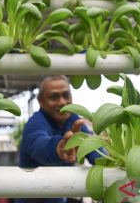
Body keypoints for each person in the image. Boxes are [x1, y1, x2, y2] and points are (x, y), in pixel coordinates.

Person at [16, 75, 102, 203]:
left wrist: (110, 162)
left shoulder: (74, 120)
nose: (62, 102)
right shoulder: (35, 123)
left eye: (66, 95)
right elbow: (38, 144)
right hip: (33, 198)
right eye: (54, 97)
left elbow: (92, 149)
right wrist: (59, 147)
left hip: (61, 195)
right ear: (40, 101)